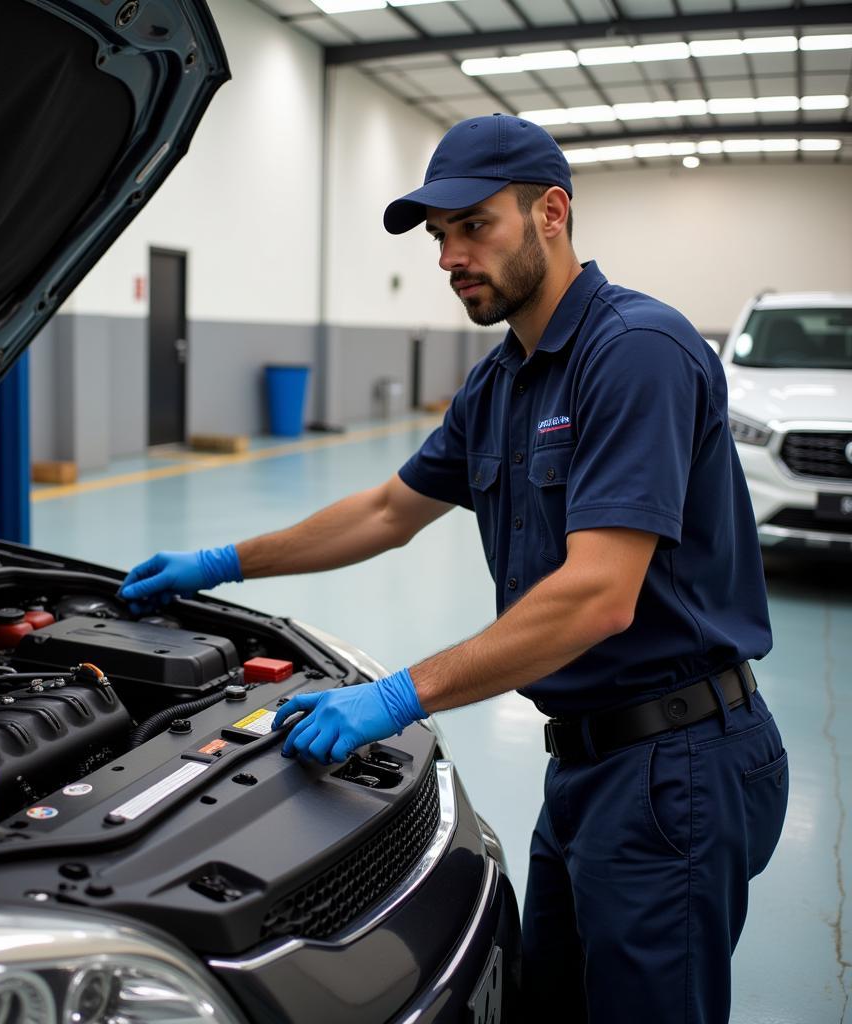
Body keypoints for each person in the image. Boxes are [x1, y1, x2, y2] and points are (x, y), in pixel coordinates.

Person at [120, 114, 789, 1024]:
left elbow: (598, 596)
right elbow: (389, 511)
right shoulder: (501, 379)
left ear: (551, 213)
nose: (450, 258)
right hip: (589, 759)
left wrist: (399, 696)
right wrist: (222, 562)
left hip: (677, 765)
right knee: (549, 999)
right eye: (442, 237)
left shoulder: (634, 352)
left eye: (475, 226)